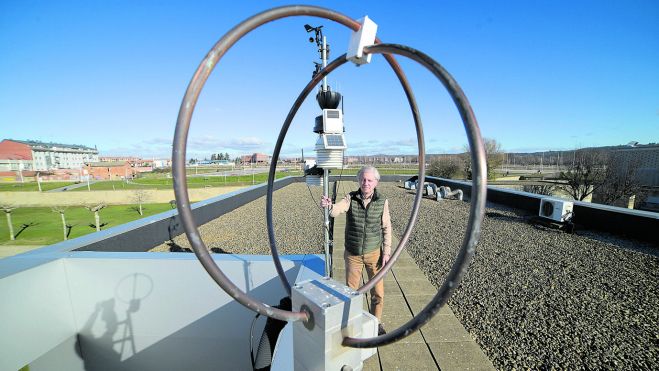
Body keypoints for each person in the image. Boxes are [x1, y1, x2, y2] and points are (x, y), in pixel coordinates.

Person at [320, 165, 391, 336]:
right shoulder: (350, 198)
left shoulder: (382, 201)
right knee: (352, 293)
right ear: (359, 180)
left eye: (369, 180)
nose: (366, 183)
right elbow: (338, 209)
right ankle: (352, 324)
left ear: (376, 182)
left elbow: (387, 228)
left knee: (378, 293)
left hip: (374, 254)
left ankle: (376, 323)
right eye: (363, 179)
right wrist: (330, 207)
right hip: (353, 255)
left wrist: (386, 252)